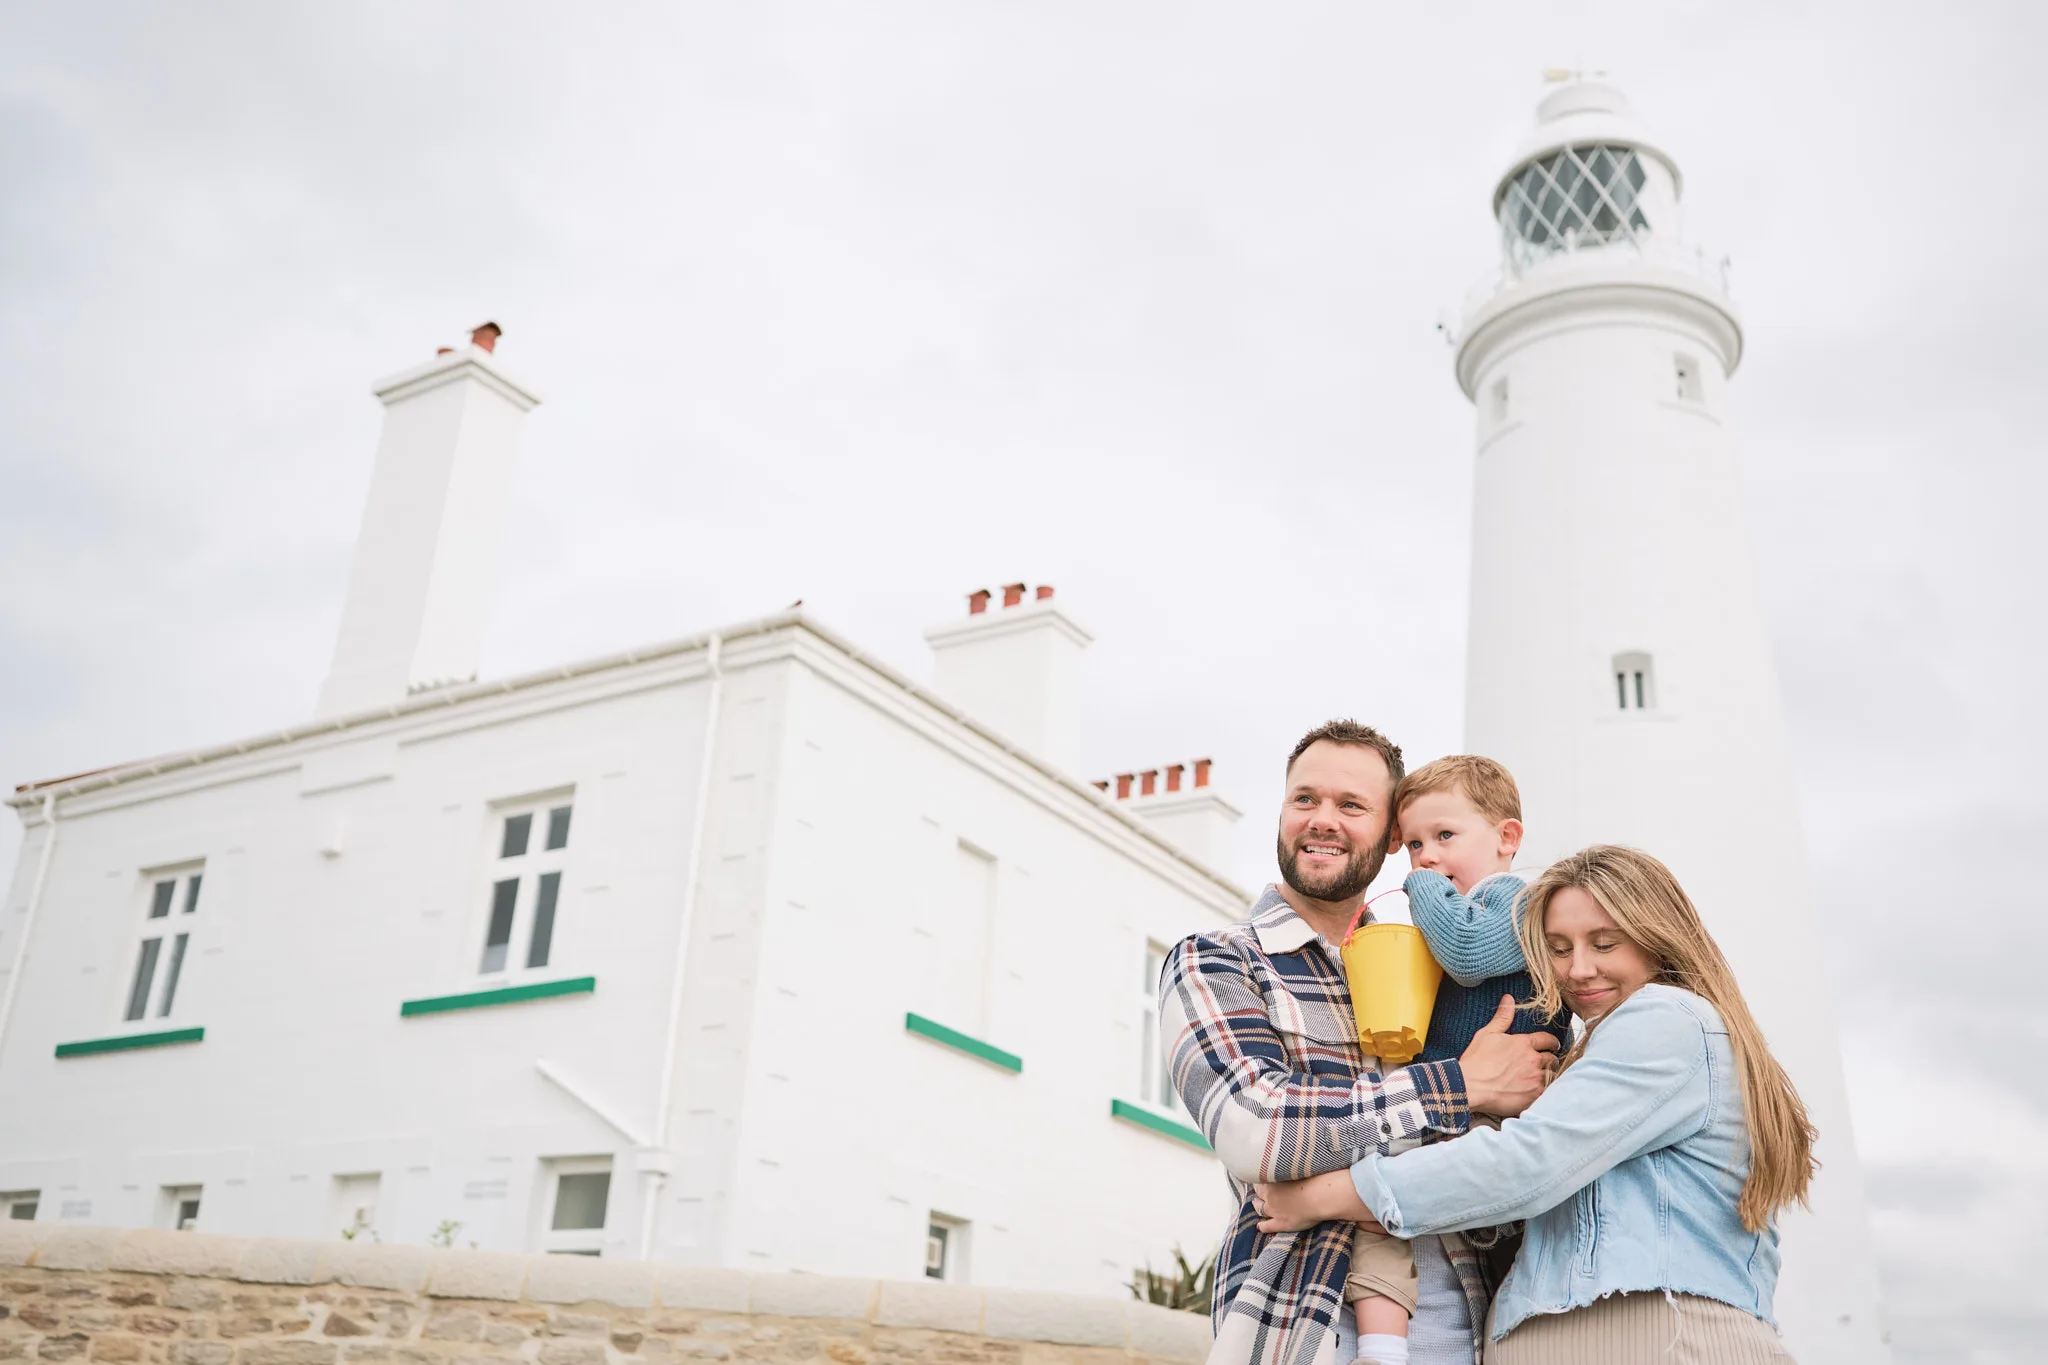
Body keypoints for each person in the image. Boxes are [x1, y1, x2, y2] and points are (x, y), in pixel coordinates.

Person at [1252, 846, 1814, 1364]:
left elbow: (1525, 1163)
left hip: (1654, 1338)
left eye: (1605, 942)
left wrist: (1326, 1195)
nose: (1578, 970)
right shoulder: (1613, 1045)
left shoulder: (1666, 1018)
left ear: (1657, 937)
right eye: (1558, 947)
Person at [1159, 720, 1559, 1365]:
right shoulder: (1219, 960)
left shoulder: (1443, 967)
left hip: (1483, 1329)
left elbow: (1518, 1155)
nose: (1323, 820)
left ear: (1391, 837)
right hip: (1304, 1333)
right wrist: (1461, 1085)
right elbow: (1255, 1128)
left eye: (1352, 806)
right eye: (1305, 799)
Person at [1343, 757, 1571, 1364]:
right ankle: (1385, 1344)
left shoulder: (1519, 903)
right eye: (1413, 843)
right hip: (1452, 1104)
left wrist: (1421, 884)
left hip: (1496, 1116)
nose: (1425, 856)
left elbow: (1468, 953)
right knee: (1378, 1215)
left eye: (1445, 836)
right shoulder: (1458, 911)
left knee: (1383, 1198)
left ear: (1506, 839)